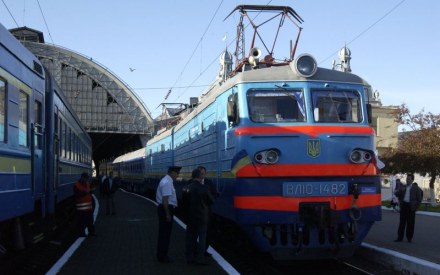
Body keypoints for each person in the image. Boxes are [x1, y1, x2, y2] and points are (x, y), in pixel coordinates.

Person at [185, 169, 215, 265]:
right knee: (202, 239)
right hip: (202, 217)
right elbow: (211, 201)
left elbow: (183, 204)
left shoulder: (186, 188)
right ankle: (200, 259)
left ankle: (190, 258)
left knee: (190, 238)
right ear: (199, 176)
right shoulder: (205, 188)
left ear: (192, 176)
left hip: (190, 217)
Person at [156, 166, 181, 263]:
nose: (177, 175)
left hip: (164, 209)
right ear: (171, 172)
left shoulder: (166, 181)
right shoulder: (167, 183)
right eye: (177, 173)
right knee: (165, 234)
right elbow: (165, 200)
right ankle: (163, 256)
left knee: (164, 234)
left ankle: (161, 255)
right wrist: (167, 214)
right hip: (166, 209)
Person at [394, 173, 423, 243]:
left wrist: (415, 208)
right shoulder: (403, 187)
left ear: (412, 180)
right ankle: (399, 238)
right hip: (404, 206)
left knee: (410, 224)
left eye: (409, 179)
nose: (407, 180)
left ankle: (409, 238)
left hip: (411, 208)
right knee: (402, 223)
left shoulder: (416, 188)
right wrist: (400, 189)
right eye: (407, 179)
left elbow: (419, 199)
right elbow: (396, 194)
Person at [197, 165, 218, 257]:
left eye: (203, 174)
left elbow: (215, 194)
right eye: (200, 174)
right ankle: (195, 251)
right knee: (194, 233)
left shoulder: (209, 183)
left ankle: (204, 250)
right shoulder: (192, 183)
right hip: (195, 213)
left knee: (207, 232)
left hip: (207, 212)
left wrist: (210, 200)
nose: (202, 175)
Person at [73, 172, 96, 237]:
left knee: (90, 221)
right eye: (86, 179)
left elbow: (88, 192)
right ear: (82, 178)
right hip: (81, 208)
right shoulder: (76, 185)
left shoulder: (87, 183)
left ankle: (92, 232)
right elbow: (77, 195)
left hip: (88, 207)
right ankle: (81, 233)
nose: (86, 180)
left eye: (87, 179)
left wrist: (92, 191)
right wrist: (86, 192)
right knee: (81, 222)